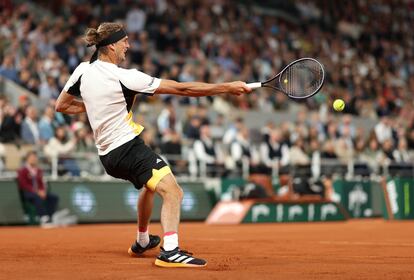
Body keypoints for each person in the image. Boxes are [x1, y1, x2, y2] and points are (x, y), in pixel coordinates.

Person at [55, 22, 251, 268]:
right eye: (124, 41)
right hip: (127, 148)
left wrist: (93, 105)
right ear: (112, 46)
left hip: (107, 156)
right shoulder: (126, 77)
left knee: (149, 187)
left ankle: (143, 240)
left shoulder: (82, 71)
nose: (128, 45)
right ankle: (170, 251)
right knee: (173, 192)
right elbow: (183, 88)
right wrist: (227, 87)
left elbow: (61, 105)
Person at [16, 151, 59, 226]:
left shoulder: (38, 170)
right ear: (27, 159)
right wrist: (36, 191)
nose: (33, 159)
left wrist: (43, 191)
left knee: (54, 197)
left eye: (34, 158)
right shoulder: (23, 170)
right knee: (37, 197)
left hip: (39, 192)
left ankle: (49, 217)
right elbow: (23, 185)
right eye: (31, 158)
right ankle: (43, 218)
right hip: (28, 193)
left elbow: (41, 183)